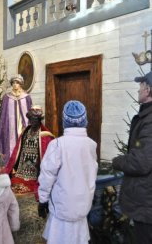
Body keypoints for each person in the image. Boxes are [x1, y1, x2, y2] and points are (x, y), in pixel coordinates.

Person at [38, 100, 98, 244]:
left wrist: (43, 200)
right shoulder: (91, 144)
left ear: (65, 120)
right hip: (83, 203)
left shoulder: (57, 144)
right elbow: (92, 173)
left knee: (59, 237)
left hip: (62, 206)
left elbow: (47, 175)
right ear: (84, 120)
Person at [112, 71, 152, 244]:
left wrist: (117, 161)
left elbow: (141, 162)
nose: (138, 89)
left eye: (141, 85)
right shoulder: (146, 117)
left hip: (146, 204)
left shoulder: (150, 120)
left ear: (148, 89)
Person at [4, 105, 54, 199]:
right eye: (31, 119)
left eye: (35, 119)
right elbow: (17, 151)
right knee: (15, 181)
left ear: (39, 120)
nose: (32, 122)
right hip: (22, 170)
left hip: (35, 172)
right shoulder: (25, 132)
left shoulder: (45, 135)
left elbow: (47, 156)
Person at [0, 74, 32, 164]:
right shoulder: (6, 97)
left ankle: (21, 163)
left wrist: (28, 125)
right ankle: (11, 163)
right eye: (14, 83)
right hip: (10, 126)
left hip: (23, 125)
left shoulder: (26, 97)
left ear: (20, 84)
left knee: (21, 140)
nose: (15, 84)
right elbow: (3, 115)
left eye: (17, 82)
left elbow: (30, 112)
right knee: (11, 142)